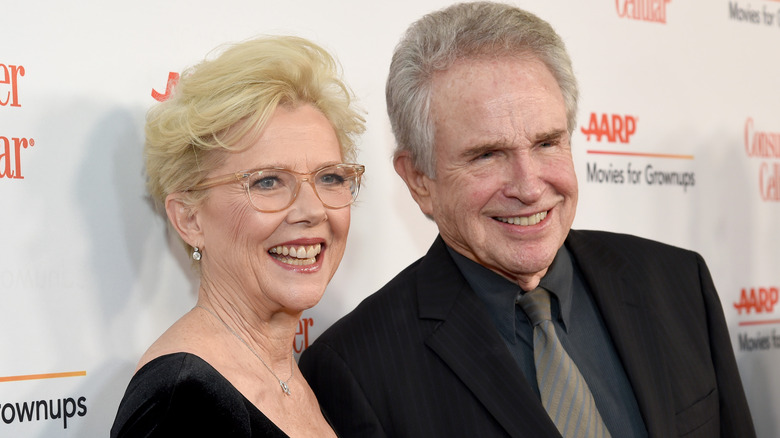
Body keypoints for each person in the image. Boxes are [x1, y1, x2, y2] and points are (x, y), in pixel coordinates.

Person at [298, 2, 756, 438]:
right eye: (487, 155)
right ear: (419, 179)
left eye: (546, 143)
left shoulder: (678, 282)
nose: (529, 186)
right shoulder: (357, 369)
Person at [111, 35, 365, 437]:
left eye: (330, 177)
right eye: (267, 182)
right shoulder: (181, 401)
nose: (313, 210)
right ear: (190, 220)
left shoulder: (291, 379)